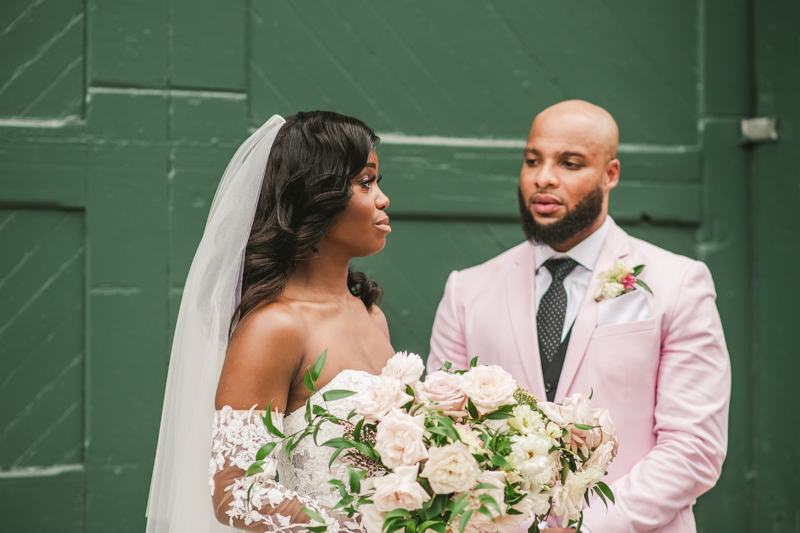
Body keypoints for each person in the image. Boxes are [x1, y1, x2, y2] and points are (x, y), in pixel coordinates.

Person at [427, 100, 731, 533]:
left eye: (569, 163)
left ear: (610, 175)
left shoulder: (679, 282)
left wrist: (587, 528)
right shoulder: (467, 290)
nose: (543, 177)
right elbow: (445, 434)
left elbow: (694, 448)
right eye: (533, 160)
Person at [147, 111, 394, 533]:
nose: (382, 198)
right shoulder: (274, 327)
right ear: (318, 195)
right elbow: (235, 492)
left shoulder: (371, 314)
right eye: (366, 182)